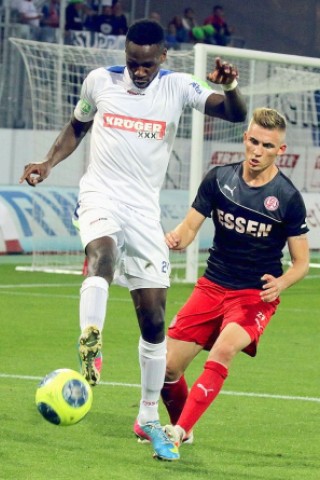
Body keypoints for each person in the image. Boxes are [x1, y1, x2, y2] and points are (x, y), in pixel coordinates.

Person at [19, 19, 247, 461]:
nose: (137, 72)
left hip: (145, 210)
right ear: (124, 55)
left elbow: (234, 113)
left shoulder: (178, 86)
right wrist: (48, 163)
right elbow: (77, 126)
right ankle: (92, 338)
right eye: (131, 63)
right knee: (101, 253)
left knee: (154, 319)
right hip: (100, 193)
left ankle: (146, 416)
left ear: (162, 57)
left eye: (146, 65)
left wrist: (232, 85)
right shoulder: (100, 81)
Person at [154, 107, 309, 451]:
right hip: (212, 286)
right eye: (253, 141)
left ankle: (178, 433)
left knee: (224, 349)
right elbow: (189, 228)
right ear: (244, 139)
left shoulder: (287, 199)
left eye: (267, 146)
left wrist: (281, 284)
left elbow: (302, 263)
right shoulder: (218, 179)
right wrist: (175, 238)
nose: (257, 151)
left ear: (280, 151)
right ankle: (184, 428)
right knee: (165, 368)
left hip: (253, 295)